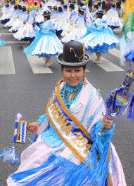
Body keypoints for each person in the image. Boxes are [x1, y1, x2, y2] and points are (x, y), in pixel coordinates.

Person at [7, 41, 126, 185]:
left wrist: (106, 127)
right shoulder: (60, 88)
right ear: (62, 70)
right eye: (68, 70)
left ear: (84, 70)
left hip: (79, 145)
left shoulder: (92, 96)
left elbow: (97, 128)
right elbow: (51, 112)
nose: (72, 75)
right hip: (53, 139)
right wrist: (39, 123)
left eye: (77, 71)